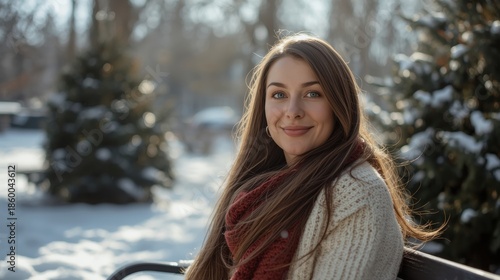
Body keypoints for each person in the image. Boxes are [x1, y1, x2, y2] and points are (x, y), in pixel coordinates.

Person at [184, 33, 440, 280]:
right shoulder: (262, 188)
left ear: (339, 104)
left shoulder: (358, 193)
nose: (293, 111)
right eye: (279, 95)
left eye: (312, 94)